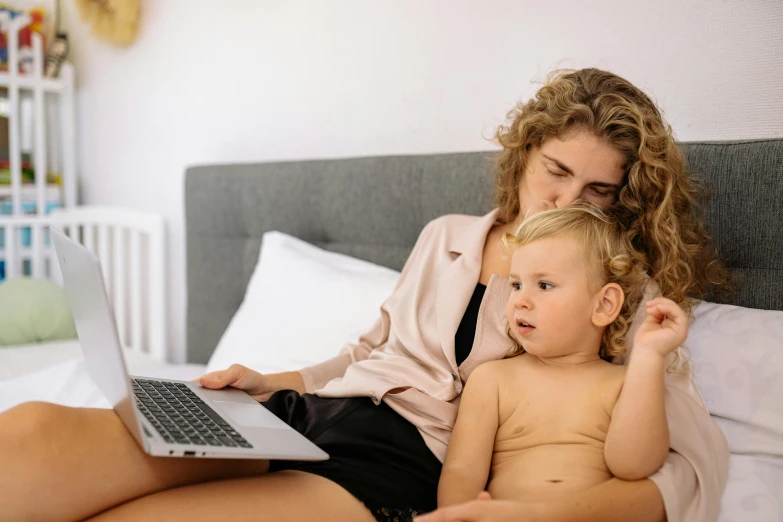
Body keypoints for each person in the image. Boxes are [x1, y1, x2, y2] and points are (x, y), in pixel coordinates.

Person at [0, 68, 729, 522]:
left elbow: (686, 466)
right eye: (555, 171)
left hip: (401, 464)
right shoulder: (445, 235)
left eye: (596, 190)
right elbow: (365, 354)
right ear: (522, 156)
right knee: (29, 435)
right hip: (313, 413)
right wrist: (268, 382)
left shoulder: (615, 290)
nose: (566, 198)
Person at [437, 204, 687, 510]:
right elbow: (461, 471)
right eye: (516, 284)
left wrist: (649, 356)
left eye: (544, 285)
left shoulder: (625, 384)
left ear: (604, 305)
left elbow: (634, 466)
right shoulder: (493, 380)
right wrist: (461, 514)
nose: (520, 301)